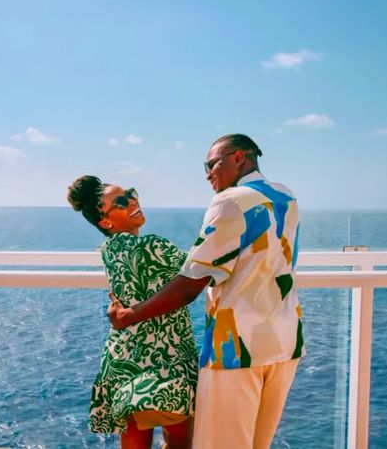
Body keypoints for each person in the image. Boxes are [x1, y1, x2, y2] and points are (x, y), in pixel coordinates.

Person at [108, 134, 304, 448]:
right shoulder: (286, 196)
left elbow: (190, 284)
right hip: (285, 341)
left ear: (239, 158)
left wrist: (128, 316)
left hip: (238, 347)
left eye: (211, 163)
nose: (207, 173)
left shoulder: (230, 201)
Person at [67, 175, 198, 449]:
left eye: (131, 194)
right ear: (106, 222)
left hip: (124, 360)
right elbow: (203, 269)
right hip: (166, 359)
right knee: (179, 443)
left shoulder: (108, 250)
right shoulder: (152, 246)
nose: (133, 202)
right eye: (121, 202)